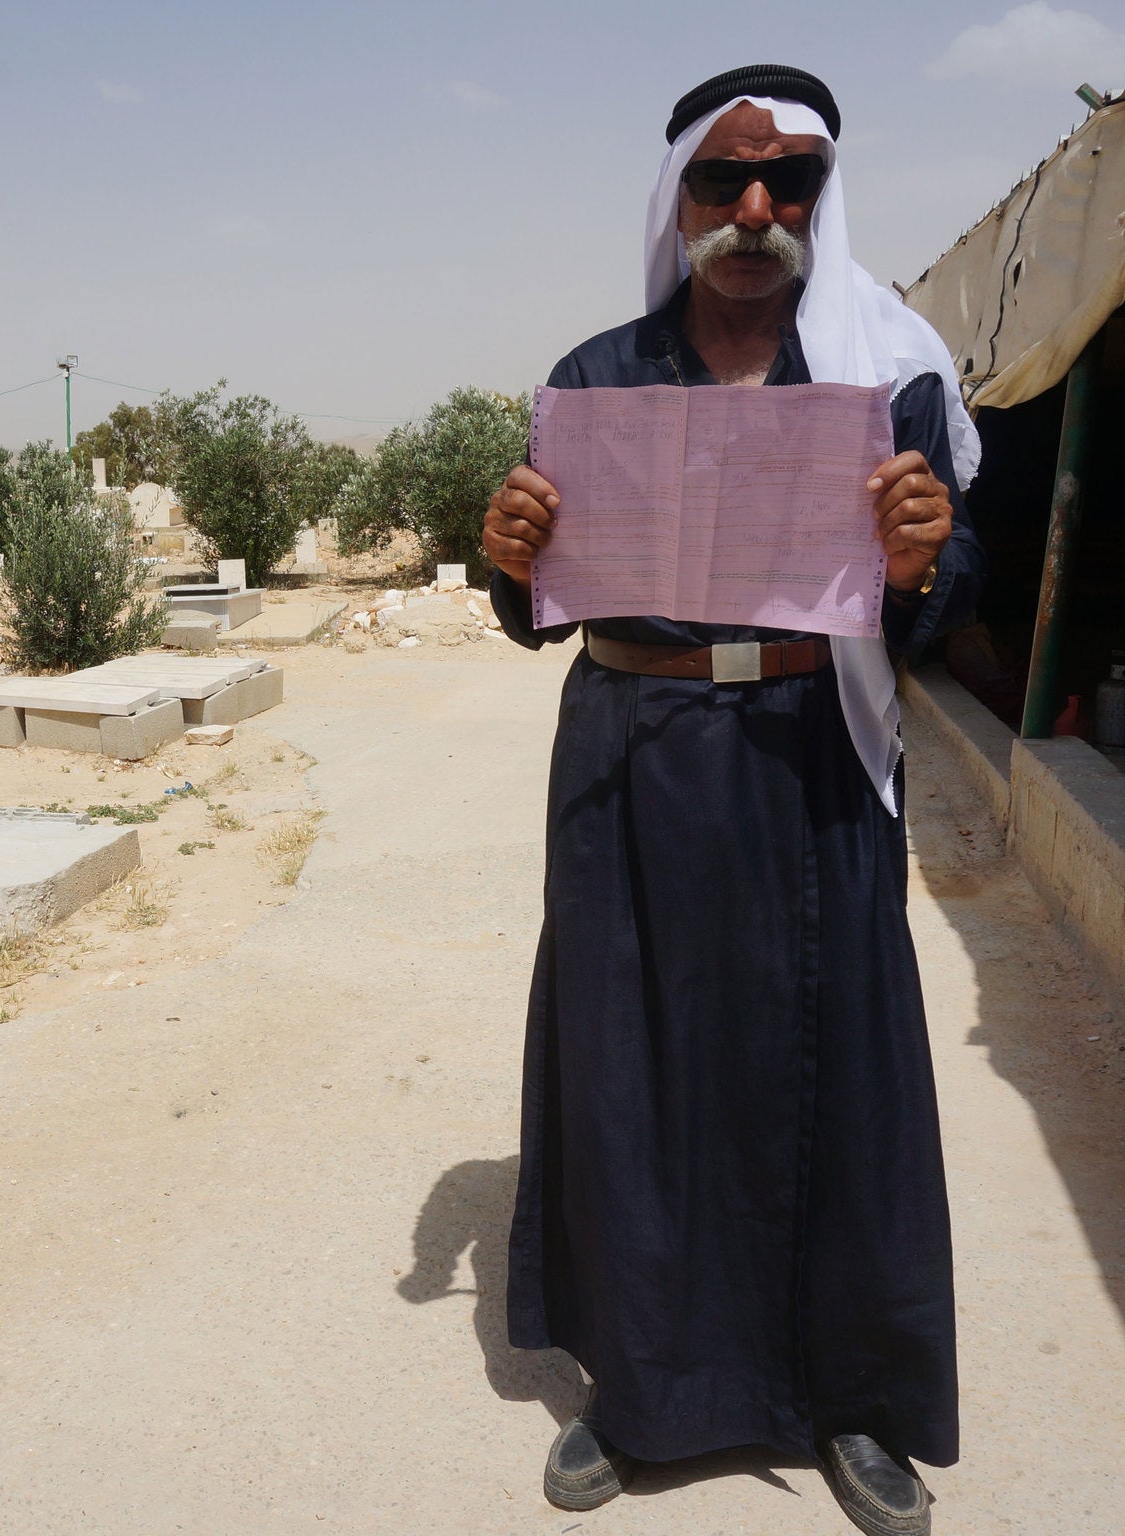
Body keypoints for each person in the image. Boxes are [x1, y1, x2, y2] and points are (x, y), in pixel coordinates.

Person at [480, 64, 984, 1536]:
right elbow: (535, 613)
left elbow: (951, 605)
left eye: (792, 186)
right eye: (724, 182)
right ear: (680, 200)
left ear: (823, 204)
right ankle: (635, 1400)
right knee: (629, 1068)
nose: (756, 211)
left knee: (839, 1066)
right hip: (632, 755)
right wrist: (507, 554)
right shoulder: (592, 380)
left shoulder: (887, 381)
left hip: (812, 752)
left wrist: (921, 559)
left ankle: (858, 1405)